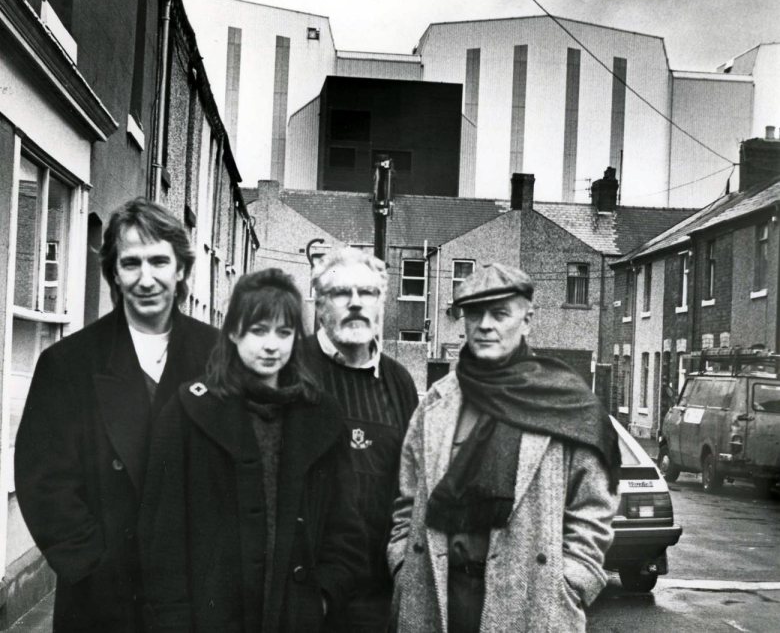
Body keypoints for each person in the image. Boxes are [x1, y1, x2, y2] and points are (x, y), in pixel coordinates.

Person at [15, 197, 218, 632]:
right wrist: (91, 563)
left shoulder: (222, 358)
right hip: (102, 602)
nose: (147, 279)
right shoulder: (67, 365)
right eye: (131, 263)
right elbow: (42, 478)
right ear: (113, 273)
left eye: (160, 262)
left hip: (198, 599)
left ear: (181, 270)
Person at [387, 263, 621, 632]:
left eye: (499, 314)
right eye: (475, 313)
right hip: (437, 594)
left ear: (527, 320)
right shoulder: (437, 402)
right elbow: (407, 497)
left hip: (532, 598)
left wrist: (573, 581)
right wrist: (403, 564)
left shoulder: (565, 400)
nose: (485, 325)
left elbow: (593, 506)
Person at [139, 268, 366, 632]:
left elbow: (346, 530)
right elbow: (161, 539)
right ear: (233, 332)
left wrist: (319, 599)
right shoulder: (189, 412)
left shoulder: (322, 417)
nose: (271, 345)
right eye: (258, 331)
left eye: (284, 332)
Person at [304, 247, 418, 632]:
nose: (355, 303)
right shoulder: (293, 369)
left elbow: (412, 486)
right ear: (320, 306)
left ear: (381, 305)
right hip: (307, 598)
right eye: (340, 293)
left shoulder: (399, 383)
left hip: (378, 599)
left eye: (367, 293)